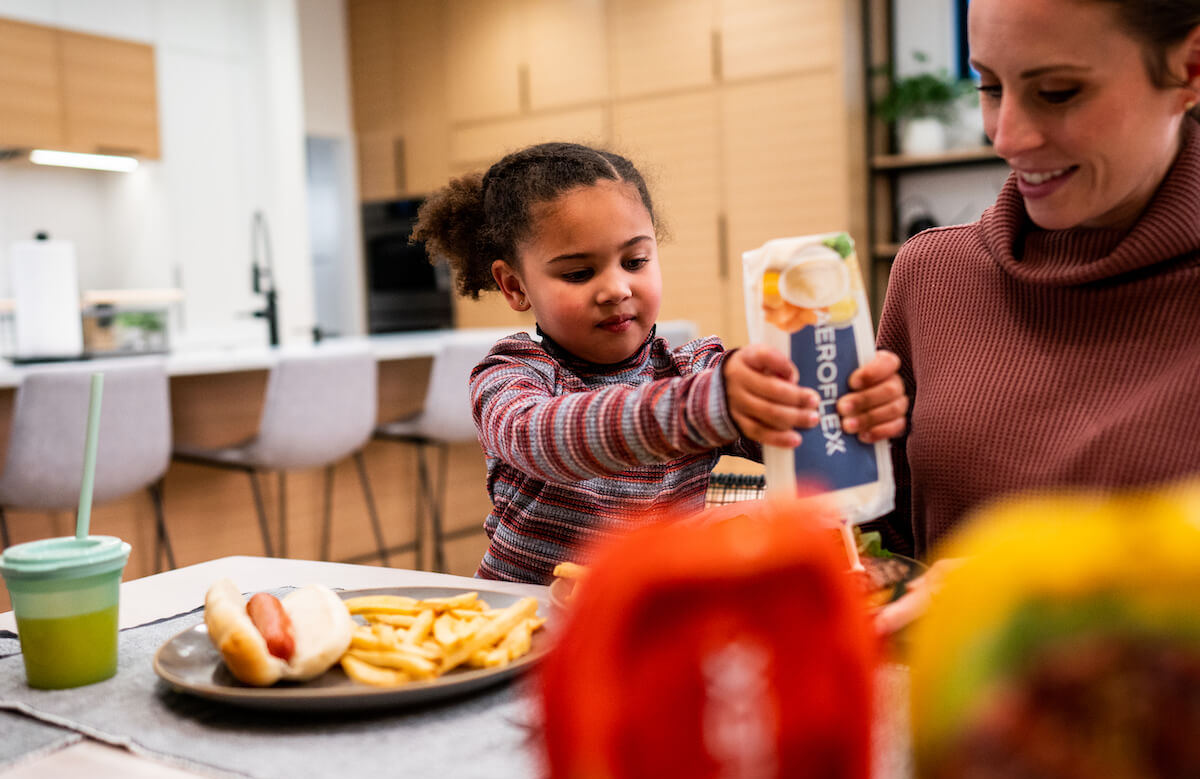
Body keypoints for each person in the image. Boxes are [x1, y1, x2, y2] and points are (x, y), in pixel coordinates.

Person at [412, 142, 907, 584]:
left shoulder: (696, 369)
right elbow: (541, 438)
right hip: (532, 628)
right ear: (515, 286)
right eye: (580, 272)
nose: (617, 289)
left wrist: (843, 410)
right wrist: (709, 405)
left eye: (635, 261)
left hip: (651, 617)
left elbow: (796, 439)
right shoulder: (513, 372)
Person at [873, 0, 1200, 630]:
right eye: (989, 87)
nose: (1006, 136)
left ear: (1188, 69)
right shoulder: (931, 275)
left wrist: (1026, 590)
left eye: (1058, 92)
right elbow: (884, 539)